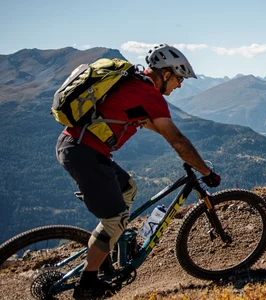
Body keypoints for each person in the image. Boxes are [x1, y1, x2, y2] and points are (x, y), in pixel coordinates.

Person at [55, 44, 221, 299]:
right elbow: (177, 141)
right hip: (84, 152)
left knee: (128, 188)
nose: (179, 85)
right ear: (166, 74)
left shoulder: (133, 84)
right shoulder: (147, 92)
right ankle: (87, 284)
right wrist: (205, 171)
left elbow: (149, 123)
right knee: (115, 218)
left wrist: (176, 142)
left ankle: (116, 241)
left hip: (77, 147)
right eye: (179, 78)